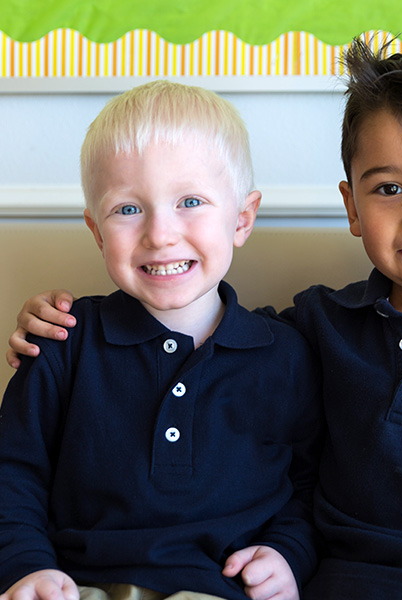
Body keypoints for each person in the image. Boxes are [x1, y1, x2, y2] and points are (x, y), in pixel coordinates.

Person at [8, 38, 402, 599]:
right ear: (352, 207)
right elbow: (201, 334)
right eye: (391, 188)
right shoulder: (316, 328)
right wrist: (49, 319)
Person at [0, 80, 322, 600]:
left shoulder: (285, 355)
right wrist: (24, 568)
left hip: (216, 588)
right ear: (97, 231)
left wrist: (288, 552)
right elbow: (13, 472)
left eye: (190, 201)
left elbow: (312, 487)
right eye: (128, 209)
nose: (160, 234)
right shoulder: (61, 341)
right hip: (76, 584)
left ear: (242, 218)